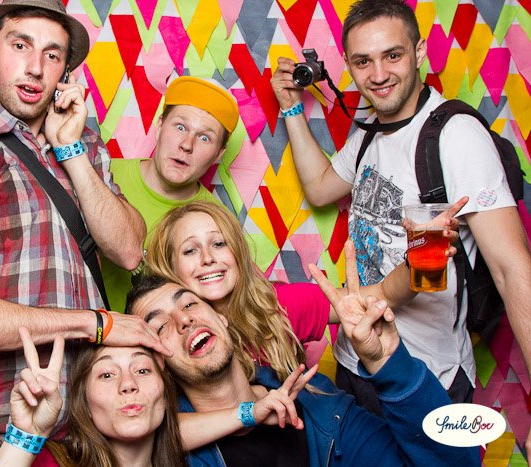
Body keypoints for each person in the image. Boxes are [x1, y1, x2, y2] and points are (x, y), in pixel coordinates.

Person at [0, 0, 169, 463]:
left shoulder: (83, 145)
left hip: (88, 436)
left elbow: (127, 250)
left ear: (65, 72)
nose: (35, 68)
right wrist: (93, 324)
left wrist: (71, 151)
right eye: (20, 45)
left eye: (52, 55)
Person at [271, 0, 531, 418]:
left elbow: (511, 267)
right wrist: (291, 107)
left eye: (392, 55)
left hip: (426, 376)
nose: (378, 75)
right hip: (356, 362)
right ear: (349, 66)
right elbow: (320, 188)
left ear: (419, 52)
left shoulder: (456, 136)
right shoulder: (370, 135)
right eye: (363, 61)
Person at [126, 262, 481, 466]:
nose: (184, 320)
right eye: (160, 326)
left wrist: (391, 366)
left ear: (224, 318)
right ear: (157, 363)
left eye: (189, 304)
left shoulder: (321, 406)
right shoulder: (165, 454)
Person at [144, 200, 464, 382]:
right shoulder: (165, 336)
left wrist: (425, 255)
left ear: (237, 253)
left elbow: (384, 295)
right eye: (190, 250)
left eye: (218, 243)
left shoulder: (279, 306)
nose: (207, 258)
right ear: (170, 267)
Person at [102, 76, 238, 311]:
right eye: (180, 127)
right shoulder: (103, 173)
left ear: (218, 154)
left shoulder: (216, 222)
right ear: (159, 126)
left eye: (205, 137)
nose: (187, 144)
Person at [0, 328, 185, 467]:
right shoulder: (50, 462)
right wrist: (27, 433)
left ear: (165, 394)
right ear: (85, 402)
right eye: (107, 375)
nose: (128, 384)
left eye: (142, 370)